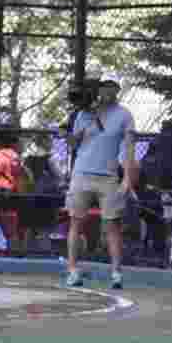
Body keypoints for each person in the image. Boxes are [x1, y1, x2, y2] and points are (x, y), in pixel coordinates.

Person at [64, 76, 138, 289]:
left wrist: (127, 180)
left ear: (117, 90)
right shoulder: (84, 113)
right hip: (82, 173)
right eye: (103, 88)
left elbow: (129, 149)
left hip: (108, 176)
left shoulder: (125, 115)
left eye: (111, 88)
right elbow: (73, 144)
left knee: (112, 225)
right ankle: (72, 270)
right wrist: (73, 129)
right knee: (75, 222)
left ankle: (116, 273)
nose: (106, 92)